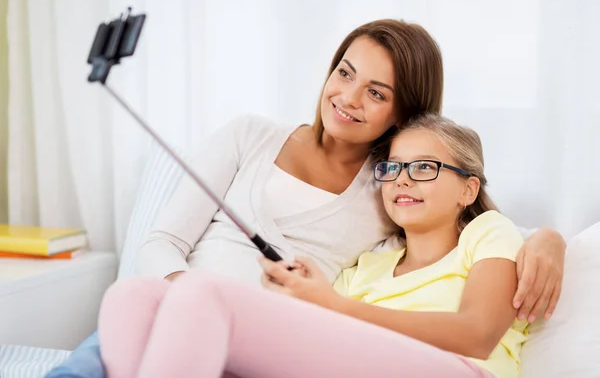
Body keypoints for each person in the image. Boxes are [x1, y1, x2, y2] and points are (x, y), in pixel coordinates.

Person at [46, 19, 565, 378]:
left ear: (403, 115)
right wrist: (182, 293)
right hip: (184, 306)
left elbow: (478, 227)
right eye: (345, 72)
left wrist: (549, 238)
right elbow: (162, 242)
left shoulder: (386, 198)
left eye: (377, 92)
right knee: (129, 297)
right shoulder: (372, 250)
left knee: (197, 302)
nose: (349, 97)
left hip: (249, 330)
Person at [98, 113, 528, 378]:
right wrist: (303, 297)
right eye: (393, 167)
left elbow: (477, 335)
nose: (401, 179)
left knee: (201, 291)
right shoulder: (365, 269)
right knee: (133, 295)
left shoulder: (489, 232)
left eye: (424, 167)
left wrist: (334, 306)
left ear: (468, 190)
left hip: (462, 370)